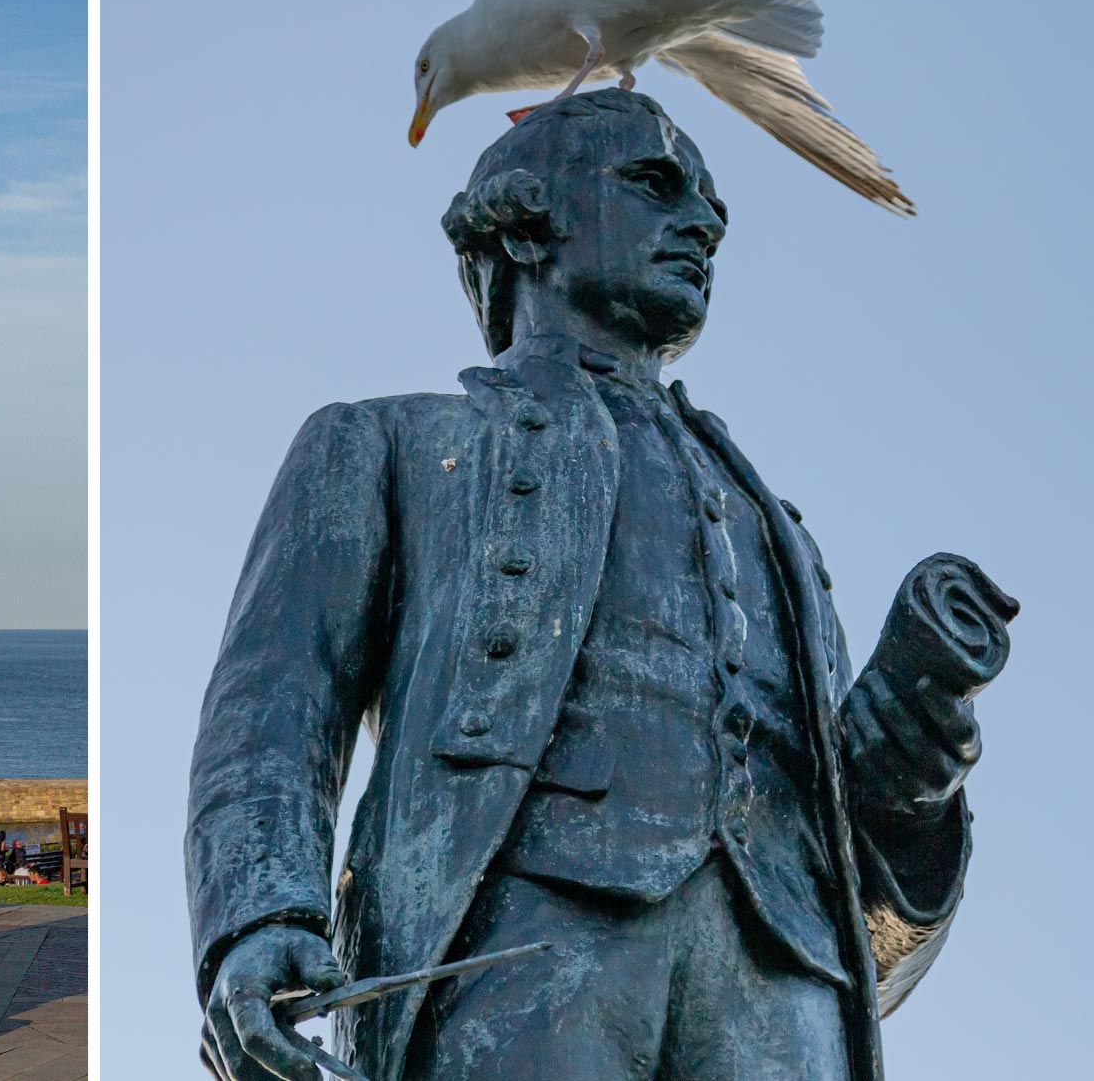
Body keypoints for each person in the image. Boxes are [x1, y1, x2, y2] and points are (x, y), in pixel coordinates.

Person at [188, 91, 1016, 1081]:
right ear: (526, 226)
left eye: (710, 206)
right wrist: (259, 914)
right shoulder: (384, 443)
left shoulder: (782, 537)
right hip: (508, 949)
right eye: (655, 185)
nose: (703, 224)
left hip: (783, 981)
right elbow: (276, 699)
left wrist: (907, 775)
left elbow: (860, 891)